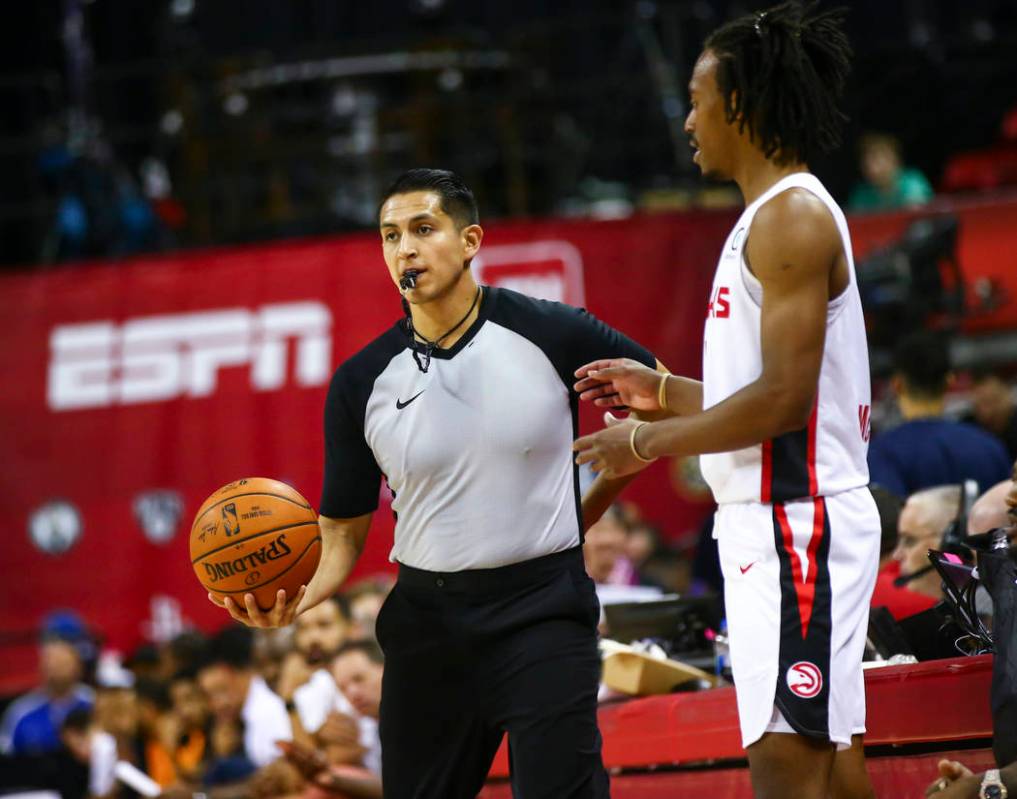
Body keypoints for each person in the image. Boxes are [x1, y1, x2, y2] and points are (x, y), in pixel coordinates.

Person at [214, 167, 664, 798]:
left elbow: (662, 394)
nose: (405, 248)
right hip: (429, 620)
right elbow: (340, 534)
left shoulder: (551, 331)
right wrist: (294, 600)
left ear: (470, 240)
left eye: (423, 229)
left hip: (543, 608)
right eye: (390, 235)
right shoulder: (361, 381)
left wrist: (626, 463)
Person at [572, 4, 879, 797]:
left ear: (738, 105)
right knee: (830, 766)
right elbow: (779, 401)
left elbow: (781, 404)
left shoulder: (792, 220)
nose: (686, 121)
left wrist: (639, 444)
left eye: (696, 99)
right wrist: (664, 392)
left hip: (793, 524)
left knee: (788, 773)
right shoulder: (764, 220)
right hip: (779, 521)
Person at [868, 331, 1011, 498]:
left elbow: (887, 519)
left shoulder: (881, 454)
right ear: (949, 380)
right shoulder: (991, 448)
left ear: (897, 384)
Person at [196, 626, 292, 772]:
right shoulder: (244, 718)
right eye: (208, 697)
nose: (217, 704)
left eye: (220, 690)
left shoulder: (268, 712)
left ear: (236, 673)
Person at [0, 610, 95, 756]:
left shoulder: (94, 704)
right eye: (51, 660)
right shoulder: (21, 712)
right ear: (41, 664)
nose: (57, 667)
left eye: (64, 661)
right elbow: (6, 761)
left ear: (78, 665)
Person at [847, 132, 933, 212]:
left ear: (893, 159)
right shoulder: (862, 194)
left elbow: (917, 219)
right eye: (865, 159)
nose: (869, 165)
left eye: (875, 158)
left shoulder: (913, 183)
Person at [963, 368, 1017, 461]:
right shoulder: (967, 426)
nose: (987, 412)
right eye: (980, 404)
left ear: (1008, 399)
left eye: (993, 401)